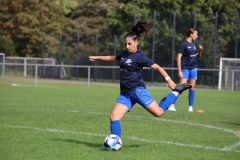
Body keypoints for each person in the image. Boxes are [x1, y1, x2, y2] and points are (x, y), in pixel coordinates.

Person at [89, 20, 192, 138]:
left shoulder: (140, 56)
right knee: (114, 116)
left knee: (158, 112)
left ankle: (176, 92)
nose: (127, 46)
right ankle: (115, 142)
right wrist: (97, 57)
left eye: (129, 44)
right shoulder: (124, 54)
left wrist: (168, 79)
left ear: (136, 42)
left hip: (137, 90)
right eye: (125, 44)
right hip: (125, 93)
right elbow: (113, 58)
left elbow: (157, 67)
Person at [168, 28, 203, 112]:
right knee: (181, 87)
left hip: (193, 68)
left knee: (192, 87)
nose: (197, 36)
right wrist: (179, 71)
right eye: (196, 34)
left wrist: (200, 51)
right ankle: (171, 105)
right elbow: (178, 58)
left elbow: (197, 57)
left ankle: (190, 107)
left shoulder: (194, 43)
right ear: (191, 34)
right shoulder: (184, 44)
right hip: (185, 68)